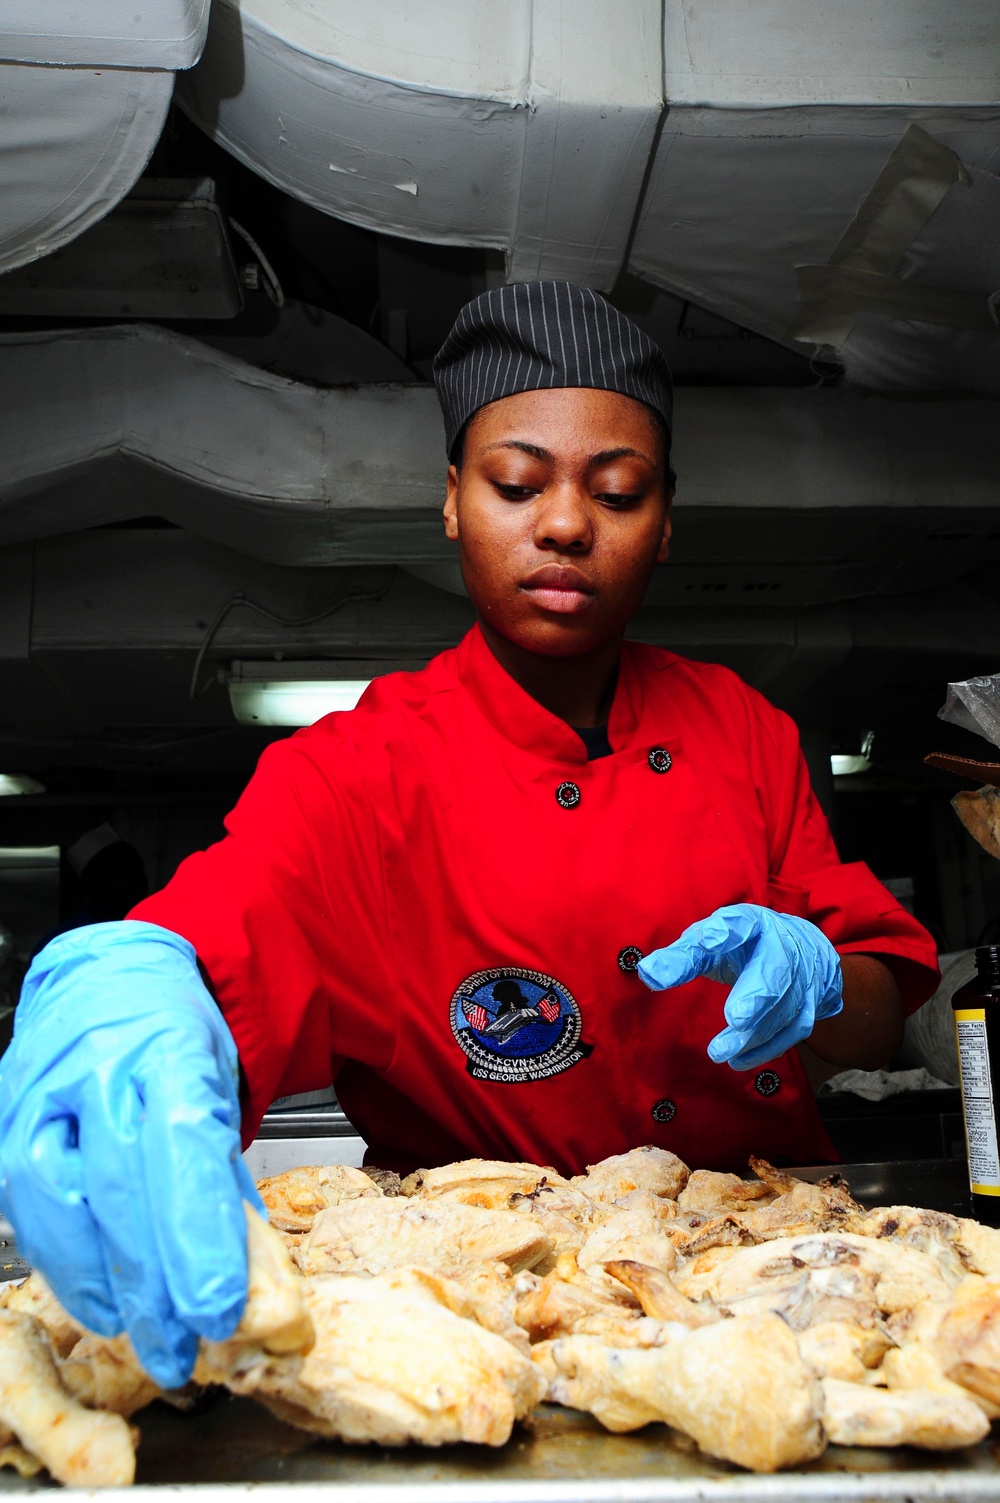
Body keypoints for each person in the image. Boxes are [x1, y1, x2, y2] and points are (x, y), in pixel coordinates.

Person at [0, 281, 938, 1388]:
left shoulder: (743, 730)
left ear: (666, 517)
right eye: (515, 482)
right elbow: (231, 928)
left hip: (775, 1276)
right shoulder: (358, 770)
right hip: (470, 1302)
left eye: (618, 489)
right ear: (452, 500)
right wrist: (145, 983)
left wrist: (823, 981)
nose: (562, 524)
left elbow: (880, 1018)